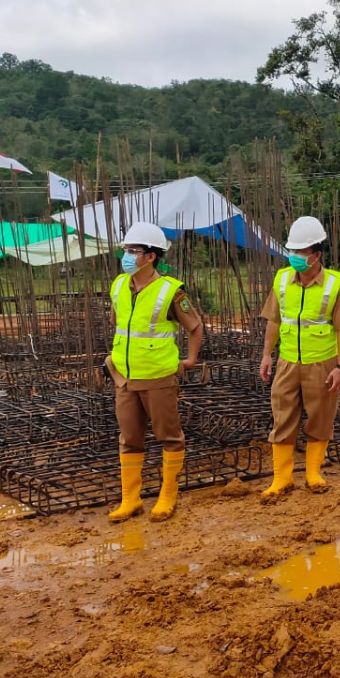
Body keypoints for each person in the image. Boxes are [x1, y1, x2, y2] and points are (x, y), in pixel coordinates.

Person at [105, 221, 203, 523]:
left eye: (133, 251)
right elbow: (119, 322)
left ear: (151, 256)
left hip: (159, 376)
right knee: (130, 438)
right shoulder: (119, 285)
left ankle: (167, 495)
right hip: (124, 375)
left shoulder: (171, 291)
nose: (127, 255)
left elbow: (195, 327)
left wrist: (190, 360)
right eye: (126, 250)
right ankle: (130, 499)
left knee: (168, 436)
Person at [258, 216, 340, 498]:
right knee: (283, 417)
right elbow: (274, 321)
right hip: (288, 361)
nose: (296, 258)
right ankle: (282, 478)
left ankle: (314, 473)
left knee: (320, 417)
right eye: (293, 251)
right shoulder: (281, 280)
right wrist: (267, 355)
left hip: (321, 362)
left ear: (316, 255)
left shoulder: (335, 285)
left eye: (302, 253)